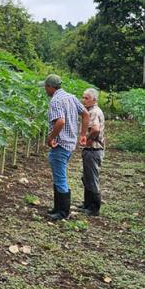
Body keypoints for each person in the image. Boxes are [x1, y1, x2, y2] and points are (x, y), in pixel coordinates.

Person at [41, 74, 89, 221]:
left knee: (60, 178)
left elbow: (60, 121)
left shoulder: (55, 100)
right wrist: (82, 134)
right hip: (69, 144)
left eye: (45, 87)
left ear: (50, 87)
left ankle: (63, 212)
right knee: (58, 176)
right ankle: (58, 208)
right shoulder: (70, 97)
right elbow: (85, 114)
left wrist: (50, 138)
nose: (45, 90)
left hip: (60, 144)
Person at [77, 88, 105, 216]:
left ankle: (93, 208)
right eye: (83, 97)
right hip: (91, 150)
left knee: (92, 178)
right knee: (87, 177)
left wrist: (86, 140)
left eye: (86, 98)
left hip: (94, 149)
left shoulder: (94, 112)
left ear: (94, 99)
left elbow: (95, 129)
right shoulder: (90, 111)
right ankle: (87, 204)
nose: (84, 100)